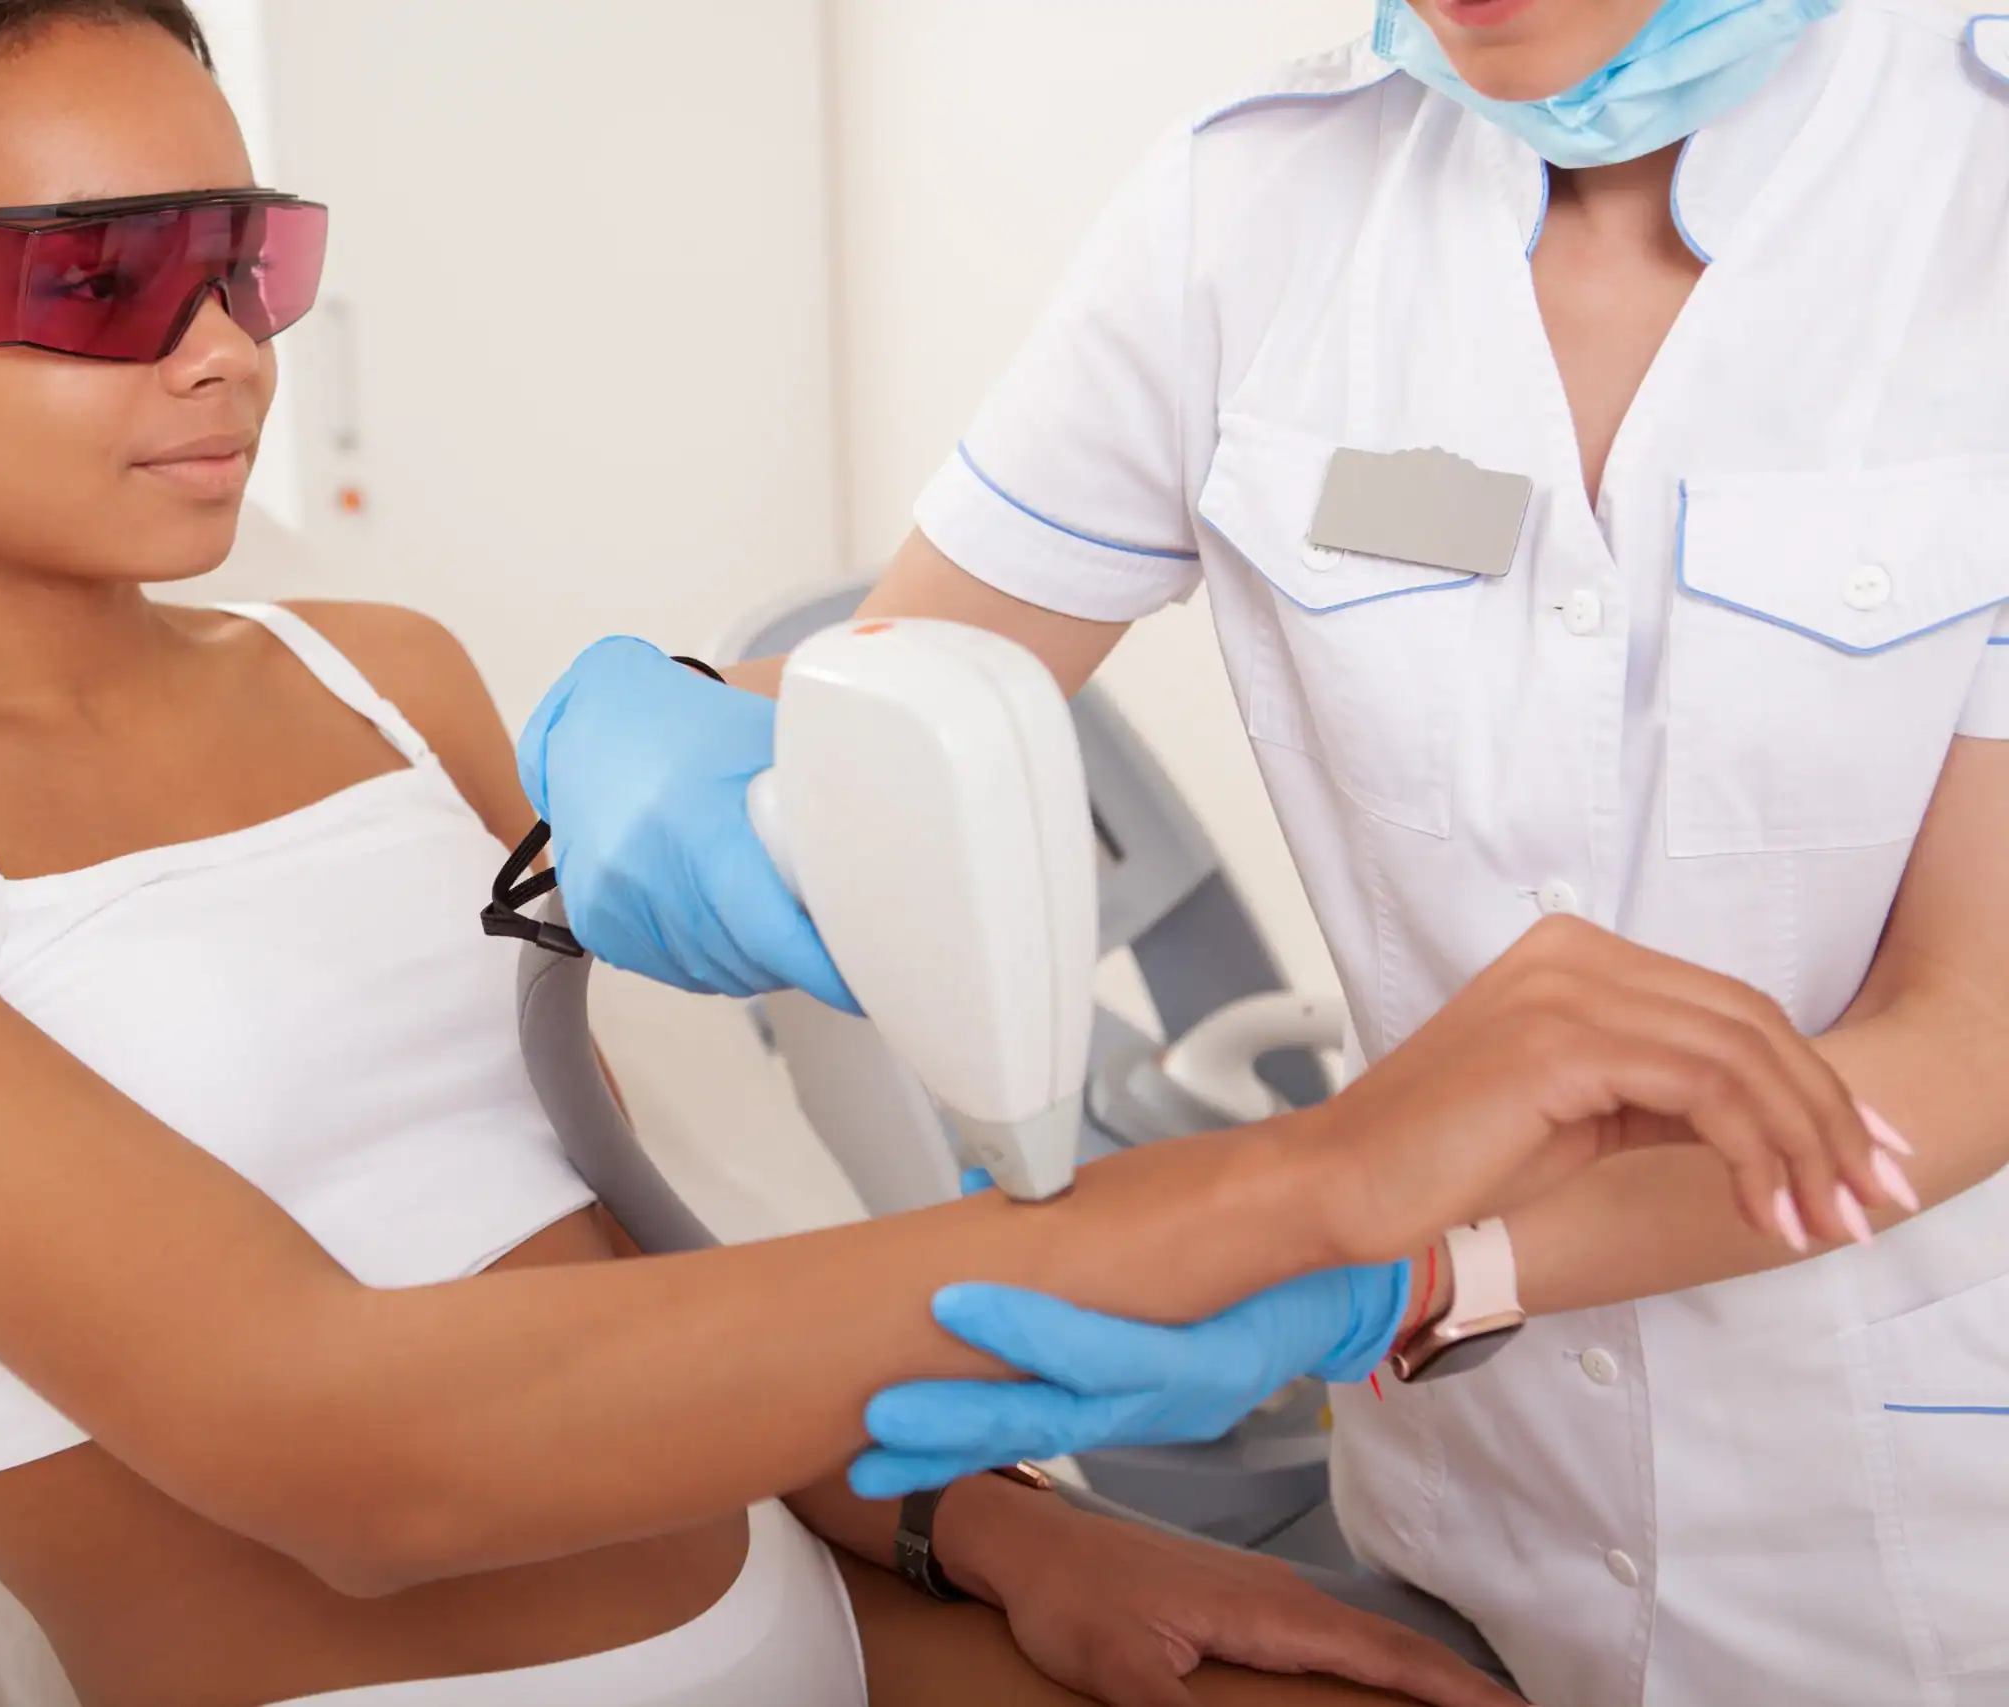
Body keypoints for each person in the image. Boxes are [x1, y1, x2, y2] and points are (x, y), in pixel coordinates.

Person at [0, 2, 1899, 1703]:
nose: (215, 349)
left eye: (242, 258)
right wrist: (1310, 1179)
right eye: (91, 275)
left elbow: (615, 1259)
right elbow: (355, 1454)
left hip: (827, 1636)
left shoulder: (378, 675)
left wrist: (973, 1540)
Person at [517, 2, 2009, 1703]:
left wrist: (1429, 1272)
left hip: (1928, 1542)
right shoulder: (1260, 201)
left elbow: (1977, 1024)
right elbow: (890, 683)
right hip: (1471, 1544)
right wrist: (680, 729)